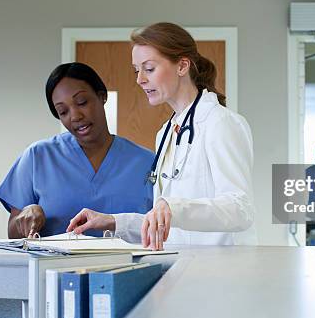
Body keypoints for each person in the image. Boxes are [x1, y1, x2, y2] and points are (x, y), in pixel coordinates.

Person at [67, 22, 255, 250]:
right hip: (179, 268)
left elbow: (240, 209)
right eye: (137, 70)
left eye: (149, 68)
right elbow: (166, 223)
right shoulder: (166, 133)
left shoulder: (220, 123)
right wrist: (114, 221)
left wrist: (173, 208)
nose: (140, 79)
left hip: (220, 272)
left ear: (182, 66)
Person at [0, 63, 154, 238]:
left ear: (102, 96)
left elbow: (166, 229)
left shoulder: (147, 163)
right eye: (63, 112)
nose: (75, 116)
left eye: (82, 102)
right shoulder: (38, 157)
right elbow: (13, 235)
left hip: (134, 265)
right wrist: (28, 215)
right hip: (55, 265)